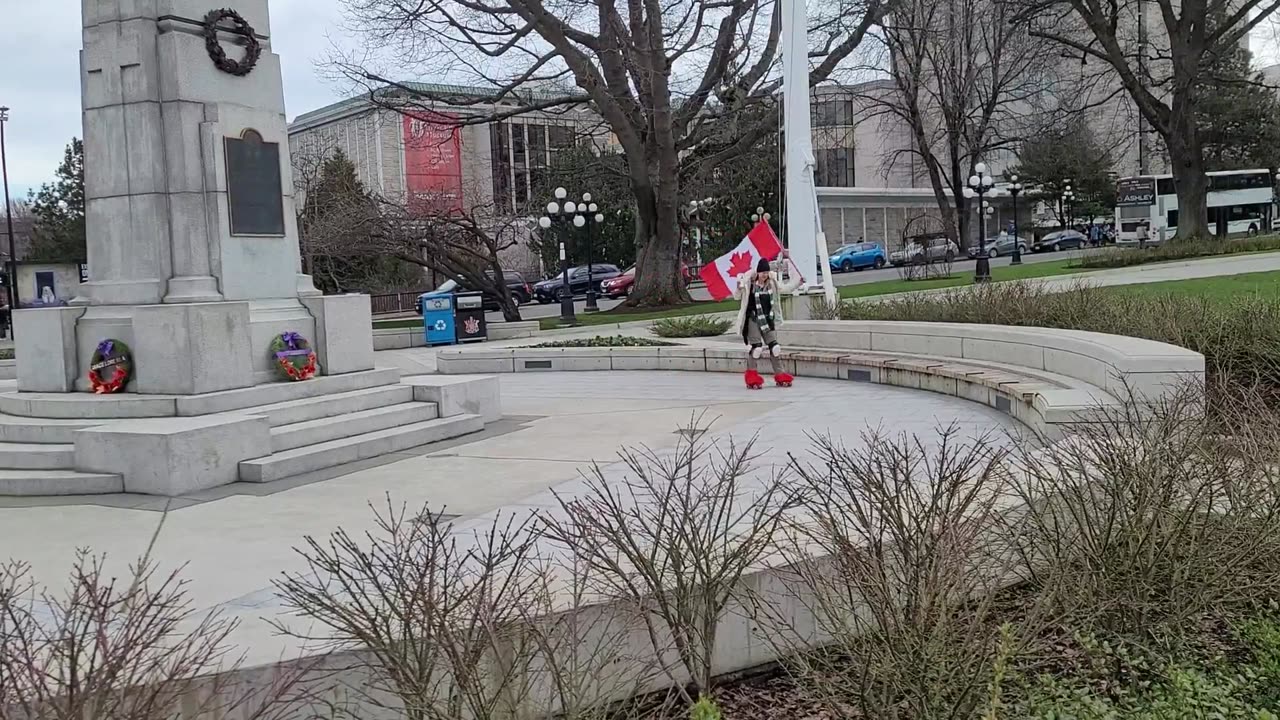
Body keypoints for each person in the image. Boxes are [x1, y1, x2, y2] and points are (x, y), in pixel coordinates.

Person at [734, 253, 803, 389]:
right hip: (753, 319)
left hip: (768, 318)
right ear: (758, 272)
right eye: (762, 272)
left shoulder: (772, 283)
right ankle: (752, 376)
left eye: (766, 272)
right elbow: (737, 297)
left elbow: (785, 289)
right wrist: (739, 286)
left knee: (775, 348)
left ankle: (780, 374)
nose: (764, 275)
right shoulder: (749, 285)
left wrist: (798, 283)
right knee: (757, 349)